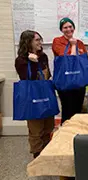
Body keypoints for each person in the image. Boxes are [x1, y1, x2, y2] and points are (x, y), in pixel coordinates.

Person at [15, 30, 53, 158]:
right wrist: (32, 63)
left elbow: (48, 76)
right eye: (37, 40)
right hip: (32, 99)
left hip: (45, 96)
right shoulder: (20, 60)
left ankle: (47, 155)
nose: (40, 43)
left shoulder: (43, 56)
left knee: (48, 128)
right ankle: (37, 157)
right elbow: (27, 78)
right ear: (28, 42)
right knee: (36, 131)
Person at [52, 17, 87, 124]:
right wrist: (73, 45)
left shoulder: (80, 42)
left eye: (70, 26)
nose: (68, 29)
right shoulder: (57, 41)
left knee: (78, 109)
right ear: (61, 29)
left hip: (78, 81)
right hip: (65, 80)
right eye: (65, 27)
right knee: (67, 109)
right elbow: (69, 60)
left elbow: (83, 61)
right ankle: (65, 135)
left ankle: (76, 134)